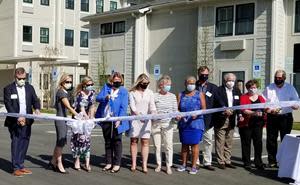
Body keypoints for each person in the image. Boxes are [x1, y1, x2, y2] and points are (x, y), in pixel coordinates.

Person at [3, 67, 41, 177]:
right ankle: (16, 168)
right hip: (15, 121)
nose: (22, 80)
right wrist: (17, 117)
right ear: (15, 77)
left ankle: (21, 165)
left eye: (24, 78)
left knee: (25, 142)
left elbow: (35, 100)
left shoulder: (29, 88)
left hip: (27, 120)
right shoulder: (8, 89)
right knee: (16, 143)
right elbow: (8, 104)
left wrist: (37, 108)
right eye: (19, 78)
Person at [263, 69, 299, 168]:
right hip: (272, 117)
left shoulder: (290, 88)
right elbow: (263, 101)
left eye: (279, 78)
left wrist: (295, 105)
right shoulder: (269, 87)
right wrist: (268, 110)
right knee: (271, 140)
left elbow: (296, 101)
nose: (277, 79)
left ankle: (284, 161)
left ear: (284, 78)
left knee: (285, 140)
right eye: (276, 77)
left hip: (286, 117)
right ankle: (272, 161)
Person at [96, 72, 129, 173]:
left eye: (119, 81)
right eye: (115, 81)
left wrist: (119, 119)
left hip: (117, 119)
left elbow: (123, 106)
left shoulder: (123, 91)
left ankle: (117, 163)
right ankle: (109, 162)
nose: (117, 83)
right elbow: (98, 98)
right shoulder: (106, 88)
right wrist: (105, 97)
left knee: (117, 141)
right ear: (111, 81)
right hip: (106, 118)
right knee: (108, 141)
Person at [49, 74, 78, 174]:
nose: (69, 84)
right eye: (67, 82)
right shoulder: (61, 92)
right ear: (62, 82)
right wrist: (78, 115)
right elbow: (68, 107)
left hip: (64, 119)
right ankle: (59, 163)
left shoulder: (66, 92)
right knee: (60, 142)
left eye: (70, 82)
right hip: (60, 119)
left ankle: (53, 161)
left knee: (61, 141)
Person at [176, 76, 206, 175]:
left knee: (194, 145)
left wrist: (197, 114)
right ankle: (184, 164)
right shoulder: (180, 94)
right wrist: (178, 115)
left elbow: (204, 108)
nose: (191, 85)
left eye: (193, 83)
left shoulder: (200, 94)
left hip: (196, 123)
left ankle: (193, 166)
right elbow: (177, 108)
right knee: (184, 144)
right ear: (185, 84)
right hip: (184, 123)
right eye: (189, 83)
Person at [129, 73, 156, 173]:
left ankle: (144, 165)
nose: (146, 85)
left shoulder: (150, 92)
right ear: (139, 82)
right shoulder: (132, 92)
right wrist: (138, 115)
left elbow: (152, 106)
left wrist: (153, 113)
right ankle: (134, 164)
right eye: (144, 83)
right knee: (134, 141)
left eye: (147, 83)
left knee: (145, 142)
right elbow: (132, 107)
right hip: (135, 120)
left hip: (146, 120)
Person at [213, 73, 241, 169]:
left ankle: (227, 160)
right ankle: (221, 161)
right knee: (220, 141)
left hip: (232, 119)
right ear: (224, 81)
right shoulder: (218, 90)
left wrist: (240, 114)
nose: (231, 82)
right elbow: (217, 101)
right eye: (229, 80)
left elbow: (238, 105)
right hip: (221, 119)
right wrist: (224, 109)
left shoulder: (237, 91)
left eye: (233, 80)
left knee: (229, 141)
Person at [152, 75, 178, 175]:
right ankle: (159, 164)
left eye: (169, 85)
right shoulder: (154, 96)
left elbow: (175, 110)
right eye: (166, 84)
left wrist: (177, 116)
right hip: (156, 124)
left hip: (168, 124)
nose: (168, 86)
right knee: (157, 146)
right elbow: (152, 109)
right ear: (161, 85)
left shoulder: (172, 96)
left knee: (168, 146)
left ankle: (168, 165)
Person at [196, 66, 220, 171]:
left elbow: (218, 101)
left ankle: (207, 162)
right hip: (195, 118)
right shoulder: (193, 85)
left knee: (208, 141)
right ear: (198, 74)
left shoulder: (213, 87)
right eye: (202, 74)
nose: (204, 76)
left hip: (208, 119)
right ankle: (195, 161)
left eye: (206, 74)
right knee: (195, 141)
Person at [238, 80, 266, 170]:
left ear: (257, 88)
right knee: (246, 143)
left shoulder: (261, 98)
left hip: (258, 123)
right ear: (247, 88)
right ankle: (247, 162)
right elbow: (244, 109)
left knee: (258, 143)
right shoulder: (243, 97)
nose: (252, 89)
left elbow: (265, 108)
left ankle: (258, 162)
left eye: (254, 87)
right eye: (250, 87)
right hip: (246, 123)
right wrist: (254, 113)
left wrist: (267, 111)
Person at [71, 76, 96, 172]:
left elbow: (92, 106)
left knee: (87, 140)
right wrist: (86, 117)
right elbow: (81, 108)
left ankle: (87, 163)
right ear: (84, 85)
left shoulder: (92, 93)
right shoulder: (79, 95)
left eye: (91, 84)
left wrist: (91, 117)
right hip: (79, 119)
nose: (90, 86)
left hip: (88, 119)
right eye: (88, 85)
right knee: (79, 140)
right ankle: (77, 161)